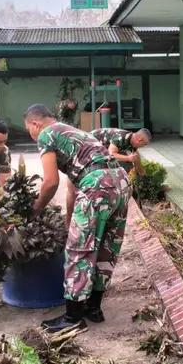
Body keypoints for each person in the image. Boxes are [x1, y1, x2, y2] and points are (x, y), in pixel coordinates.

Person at [24, 104, 131, 332]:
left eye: (29, 130)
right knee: (106, 247)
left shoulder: (46, 134)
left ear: (35, 123)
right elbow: (72, 188)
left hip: (96, 185)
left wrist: (35, 210)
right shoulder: (74, 133)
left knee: (78, 251)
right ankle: (94, 308)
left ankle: (73, 318)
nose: (32, 136)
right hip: (120, 180)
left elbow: (50, 182)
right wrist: (70, 219)